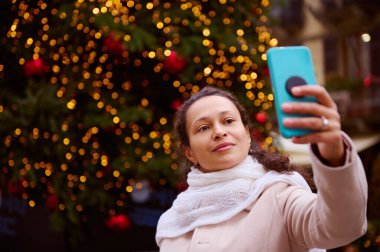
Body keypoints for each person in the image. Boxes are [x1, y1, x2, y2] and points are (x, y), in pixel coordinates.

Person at [155, 85, 367, 252]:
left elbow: (341, 226)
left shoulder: (279, 195)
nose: (219, 132)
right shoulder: (173, 220)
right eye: (203, 127)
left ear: (247, 134)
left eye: (228, 121)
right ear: (189, 152)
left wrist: (334, 154)